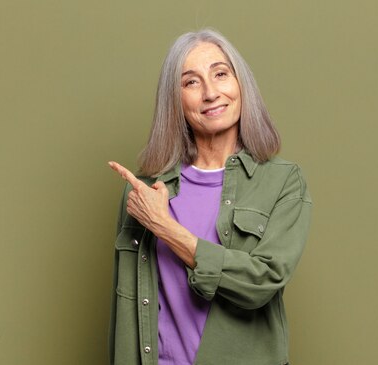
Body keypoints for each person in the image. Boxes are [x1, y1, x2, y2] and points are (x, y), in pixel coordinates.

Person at [107, 28, 312, 365]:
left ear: (240, 84)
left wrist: (165, 227)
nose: (210, 93)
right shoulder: (145, 193)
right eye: (191, 82)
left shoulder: (282, 181)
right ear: (175, 101)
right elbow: (126, 311)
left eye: (220, 74)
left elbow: (262, 282)